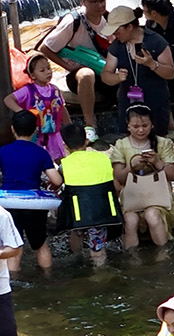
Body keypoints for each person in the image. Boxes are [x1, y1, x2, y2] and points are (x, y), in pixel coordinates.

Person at [34, 0, 108, 146]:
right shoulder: (73, 21)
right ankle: (89, 126)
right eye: (94, 2)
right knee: (86, 74)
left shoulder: (109, 17)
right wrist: (69, 67)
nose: (100, 5)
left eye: (102, 1)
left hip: (106, 69)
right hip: (79, 74)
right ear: (83, 2)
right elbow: (45, 48)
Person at [108, 106, 174, 251]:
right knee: (130, 219)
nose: (141, 130)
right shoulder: (121, 145)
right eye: (136, 126)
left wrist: (157, 163)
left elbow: (173, 175)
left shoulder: (163, 143)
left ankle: (163, 255)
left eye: (145, 126)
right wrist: (130, 167)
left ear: (152, 125)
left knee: (152, 215)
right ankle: (133, 259)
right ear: (128, 125)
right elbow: (118, 178)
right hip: (132, 199)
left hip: (158, 199)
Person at [2, 111, 59, 276]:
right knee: (40, 243)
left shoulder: (3, 151)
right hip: (34, 204)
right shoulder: (40, 152)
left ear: (12, 129)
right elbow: (56, 180)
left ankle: (14, 282)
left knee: (13, 244)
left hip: (8, 205)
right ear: (35, 130)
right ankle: (48, 277)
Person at [55, 121, 116, 267]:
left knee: (75, 230)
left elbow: (58, 184)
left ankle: (77, 260)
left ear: (65, 145)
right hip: (101, 212)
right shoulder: (104, 159)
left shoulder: (65, 164)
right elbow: (115, 186)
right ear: (86, 141)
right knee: (98, 249)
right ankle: (100, 269)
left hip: (77, 214)